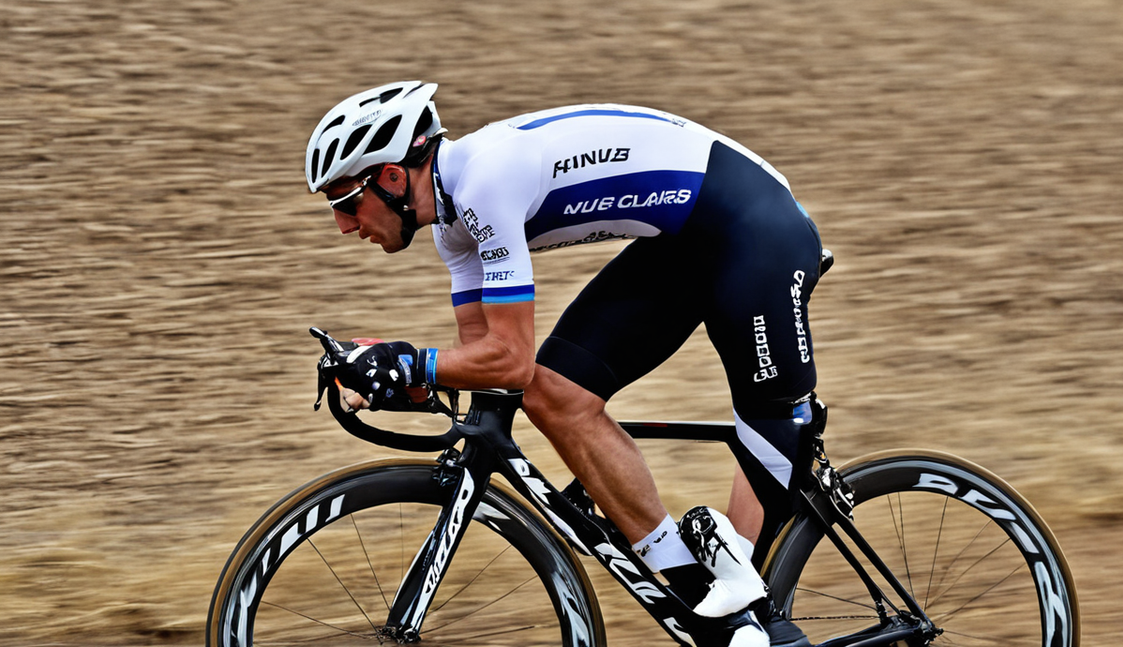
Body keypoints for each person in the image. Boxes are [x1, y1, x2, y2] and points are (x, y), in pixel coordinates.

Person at [305, 81, 822, 647]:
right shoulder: (453, 232)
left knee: (770, 421)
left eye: (346, 203)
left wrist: (407, 363)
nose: (344, 226)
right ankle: (695, 588)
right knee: (553, 394)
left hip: (757, 232)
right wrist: (402, 379)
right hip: (685, 244)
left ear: (392, 177)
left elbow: (509, 360)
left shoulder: (484, 182)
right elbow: (486, 366)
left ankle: (762, 620)